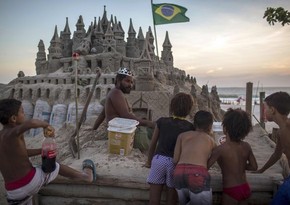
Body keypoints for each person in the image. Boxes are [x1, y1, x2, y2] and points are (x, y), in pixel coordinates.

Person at [0, 99, 97, 205]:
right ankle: (86, 177)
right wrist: (46, 125)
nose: (25, 114)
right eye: (22, 112)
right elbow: (32, 122)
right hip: (29, 182)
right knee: (55, 166)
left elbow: (20, 153)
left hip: (13, 191)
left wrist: (41, 151)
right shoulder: (14, 132)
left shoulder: (2, 136)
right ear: (13, 118)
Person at [145, 92, 195, 205]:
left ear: (172, 107)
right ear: (189, 109)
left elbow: (152, 144)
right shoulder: (190, 127)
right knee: (172, 200)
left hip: (159, 160)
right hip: (175, 164)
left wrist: (148, 162)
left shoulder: (162, 121)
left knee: (153, 200)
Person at [92, 67, 155, 151]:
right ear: (118, 80)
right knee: (156, 142)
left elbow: (103, 114)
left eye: (132, 82)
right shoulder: (116, 93)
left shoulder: (115, 93)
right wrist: (147, 123)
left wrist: (94, 129)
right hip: (122, 133)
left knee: (154, 131)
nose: (130, 85)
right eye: (127, 81)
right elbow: (125, 115)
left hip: (122, 130)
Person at [207, 108, 258, 205]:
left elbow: (205, 167)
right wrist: (241, 165)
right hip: (245, 187)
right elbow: (254, 167)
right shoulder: (246, 146)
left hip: (230, 190)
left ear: (225, 129)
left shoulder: (220, 149)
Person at [254, 92, 290, 205]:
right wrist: (261, 170)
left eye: (265, 108)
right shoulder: (280, 132)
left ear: (273, 110)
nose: (264, 111)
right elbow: (277, 154)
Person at [173, 110, 216, 205]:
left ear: (194, 123)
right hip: (197, 174)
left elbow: (175, 160)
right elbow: (214, 157)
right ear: (210, 126)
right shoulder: (210, 140)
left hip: (179, 173)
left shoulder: (182, 136)